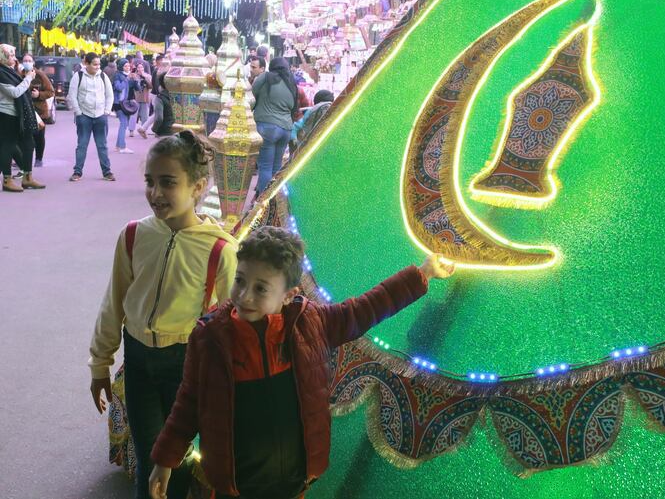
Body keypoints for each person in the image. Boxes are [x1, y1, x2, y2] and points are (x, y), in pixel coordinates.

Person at [148, 226, 454, 499]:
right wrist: (165, 460)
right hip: (235, 488)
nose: (244, 295)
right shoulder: (210, 339)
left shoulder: (311, 323)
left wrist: (422, 274)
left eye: (260, 288)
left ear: (288, 294)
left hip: (294, 485)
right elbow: (187, 404)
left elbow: (363, 310)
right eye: (240, 280)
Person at [88, 131, 239, 499]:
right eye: (150, 182)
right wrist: (99, 364)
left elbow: (231, 327)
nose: (155, 193)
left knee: (178, 460)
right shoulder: (133, 235)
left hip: (185, 367)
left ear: (198, 186)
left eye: (168, 183)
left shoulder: (221, 249)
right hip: (138, 359)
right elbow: (115, 302)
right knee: (151, 455)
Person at [0, 44, 45, 192]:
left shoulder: (11, 71)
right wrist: (27, 79)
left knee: (28, 143)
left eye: (13, 55)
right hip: (7, 113)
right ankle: (7, 179)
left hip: (20, 113)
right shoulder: (2, 72)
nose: (14, 58)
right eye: (11, 55)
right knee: (8, 145)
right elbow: (15, 92)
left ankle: (27, 176)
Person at [252, 57, 298, 195]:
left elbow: (251, 94)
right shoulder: (291, 83)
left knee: (265, 167)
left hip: (267, 127)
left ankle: (263, 205)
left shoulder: (266, 77)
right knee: (276, 168)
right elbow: (294, 108)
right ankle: (275, 203)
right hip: (286, 130)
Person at [67, 52, 115, 182]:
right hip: (84, 116)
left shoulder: (103, 76)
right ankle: (77, 172)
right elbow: (72, 95)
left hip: (100, 116)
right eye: (94, 64)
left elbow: (110, 95)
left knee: (102, 145)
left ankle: (107, 172)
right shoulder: (78, 76)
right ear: (86, 63)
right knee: (82, 145)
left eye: (99, 64)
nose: (97, 67)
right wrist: (78, 112)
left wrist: (107, 111)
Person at [20, 53, 54, 167]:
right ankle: (22, 159)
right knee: (24, 137)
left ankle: (39, 158)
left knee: (39, 137)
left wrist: (39, 94)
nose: (27, 62)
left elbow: (51, 92)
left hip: (39, 112)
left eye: (29, 60)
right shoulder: (19, 75)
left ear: (33, 62)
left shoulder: (40, 75)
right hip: (24, 111)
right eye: (25, 60)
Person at [112, 58, 139, 154]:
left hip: (127, 104)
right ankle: (122, 147)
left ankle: (118, 146)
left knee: (124, 124)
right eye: (125, 66)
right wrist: (126, 79)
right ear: (121, 66)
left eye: (128, 66)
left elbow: (137, 89)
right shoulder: (117, 75)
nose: (128, 68)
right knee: (123, 124)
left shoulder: (129, 75)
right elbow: (119, 87)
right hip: (119, 103)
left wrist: (135, 80)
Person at [129, 63, 152, 138]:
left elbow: (151, 86)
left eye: (142, 67)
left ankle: (143, 130)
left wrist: (145, 77)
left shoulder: (147, 76)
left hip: (145, 98)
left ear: (144, 68)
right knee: (133, 115)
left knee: (145, 116)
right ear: (137, 68)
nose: (140, 69)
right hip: (135, 98)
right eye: (138, 67)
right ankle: (131, 131)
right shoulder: (133, 76)